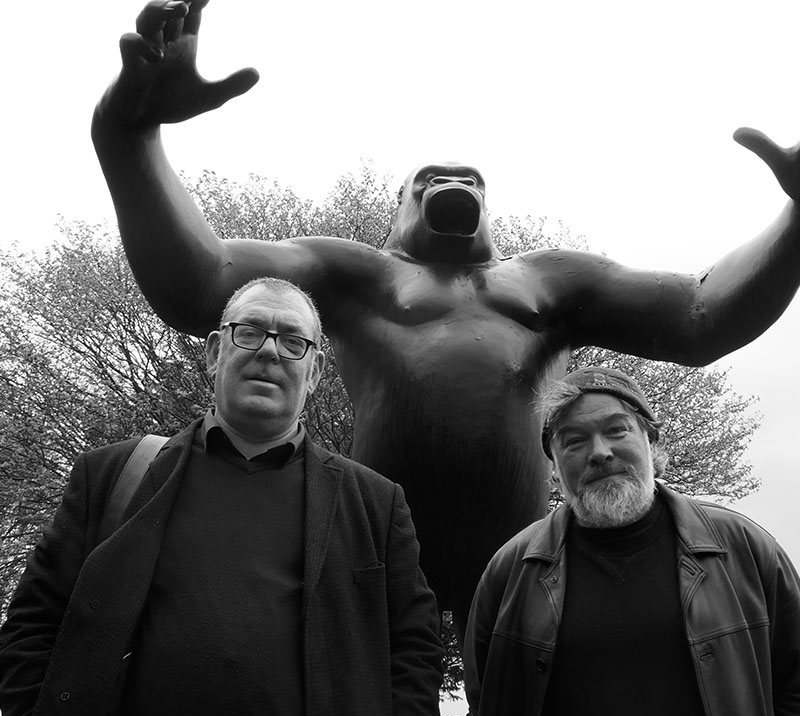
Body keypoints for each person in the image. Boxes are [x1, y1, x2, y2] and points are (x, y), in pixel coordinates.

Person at [93, 0, 800, 640]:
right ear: (399, 205)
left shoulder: (552, 281)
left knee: (523, 708)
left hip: (519, 552)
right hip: (374, 545)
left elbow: (699, 316)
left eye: (470, 180)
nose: (452, 183)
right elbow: (200, 286)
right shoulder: (354, 273)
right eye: (428, 180)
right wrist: (130, 135)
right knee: (366, 711)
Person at [0, 277, 444, 716]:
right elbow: (33, 624)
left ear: (315, 371)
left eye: (293, 341)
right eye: (249, 332)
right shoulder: (113, 477)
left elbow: (415, 650)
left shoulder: (375, 503)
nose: (270, 351)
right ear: (215, 352)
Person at [463, 366, 800, 716]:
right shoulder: (510, 571)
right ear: (554, 471)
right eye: (573, 441)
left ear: (653, 443)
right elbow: (489, 712)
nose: (599, 452)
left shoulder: (742, 548)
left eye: (616, 430)